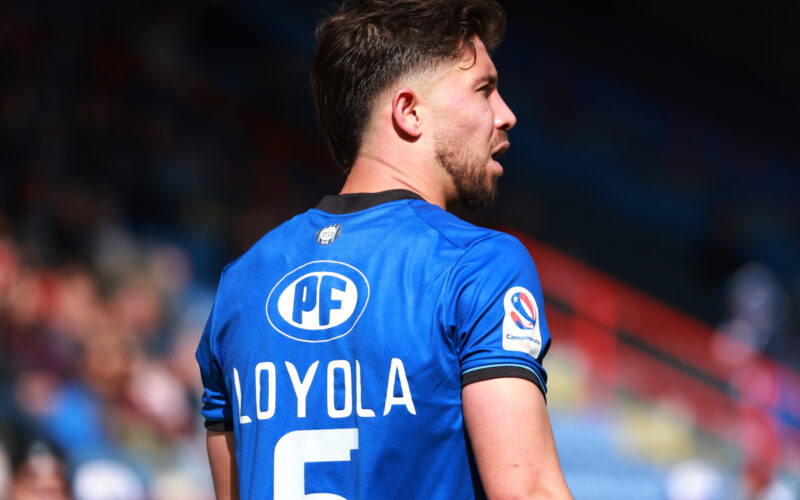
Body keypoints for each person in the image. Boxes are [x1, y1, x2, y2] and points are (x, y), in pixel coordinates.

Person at [195, 0, 572, 498]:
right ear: (409, 112)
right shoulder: (476, 265)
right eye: (485, 89)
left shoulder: (240, 283)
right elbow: (528, 489)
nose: (506, 115)